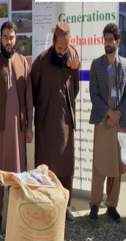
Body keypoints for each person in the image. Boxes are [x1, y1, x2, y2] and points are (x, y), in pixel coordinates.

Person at [31, 22, 80, 221]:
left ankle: (65, 205)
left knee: (66, 166)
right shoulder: (41, 61)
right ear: (53, 43)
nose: (62, 52)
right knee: (46, 167)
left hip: (66, 122)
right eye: (59, 48)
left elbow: (75, 88)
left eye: (65, 48)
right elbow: (32, 92)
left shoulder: (72, 58)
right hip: (45, 123)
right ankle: (45, 205)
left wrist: (74, 69)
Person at [0, 21, 33, 228]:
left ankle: (16, 211)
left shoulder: (24, 62)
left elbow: (29, 97)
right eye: (5, 37)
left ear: (16, 39)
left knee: (17, 172)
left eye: (11, 37)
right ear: (0, 38)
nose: (8, 41)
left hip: (18, 130)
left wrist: (29, 126)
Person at [88, 23, 126, 222]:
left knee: (117, 167)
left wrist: (118, 114)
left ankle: (112, 206)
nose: (107, 43)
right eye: (105, 40)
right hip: (103, 121)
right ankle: (94, 205)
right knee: (99, 165)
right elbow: (93, 93)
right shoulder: (96, 65)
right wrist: (108, 113)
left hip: (120, 123)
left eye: (111, 40)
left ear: (117, 42)